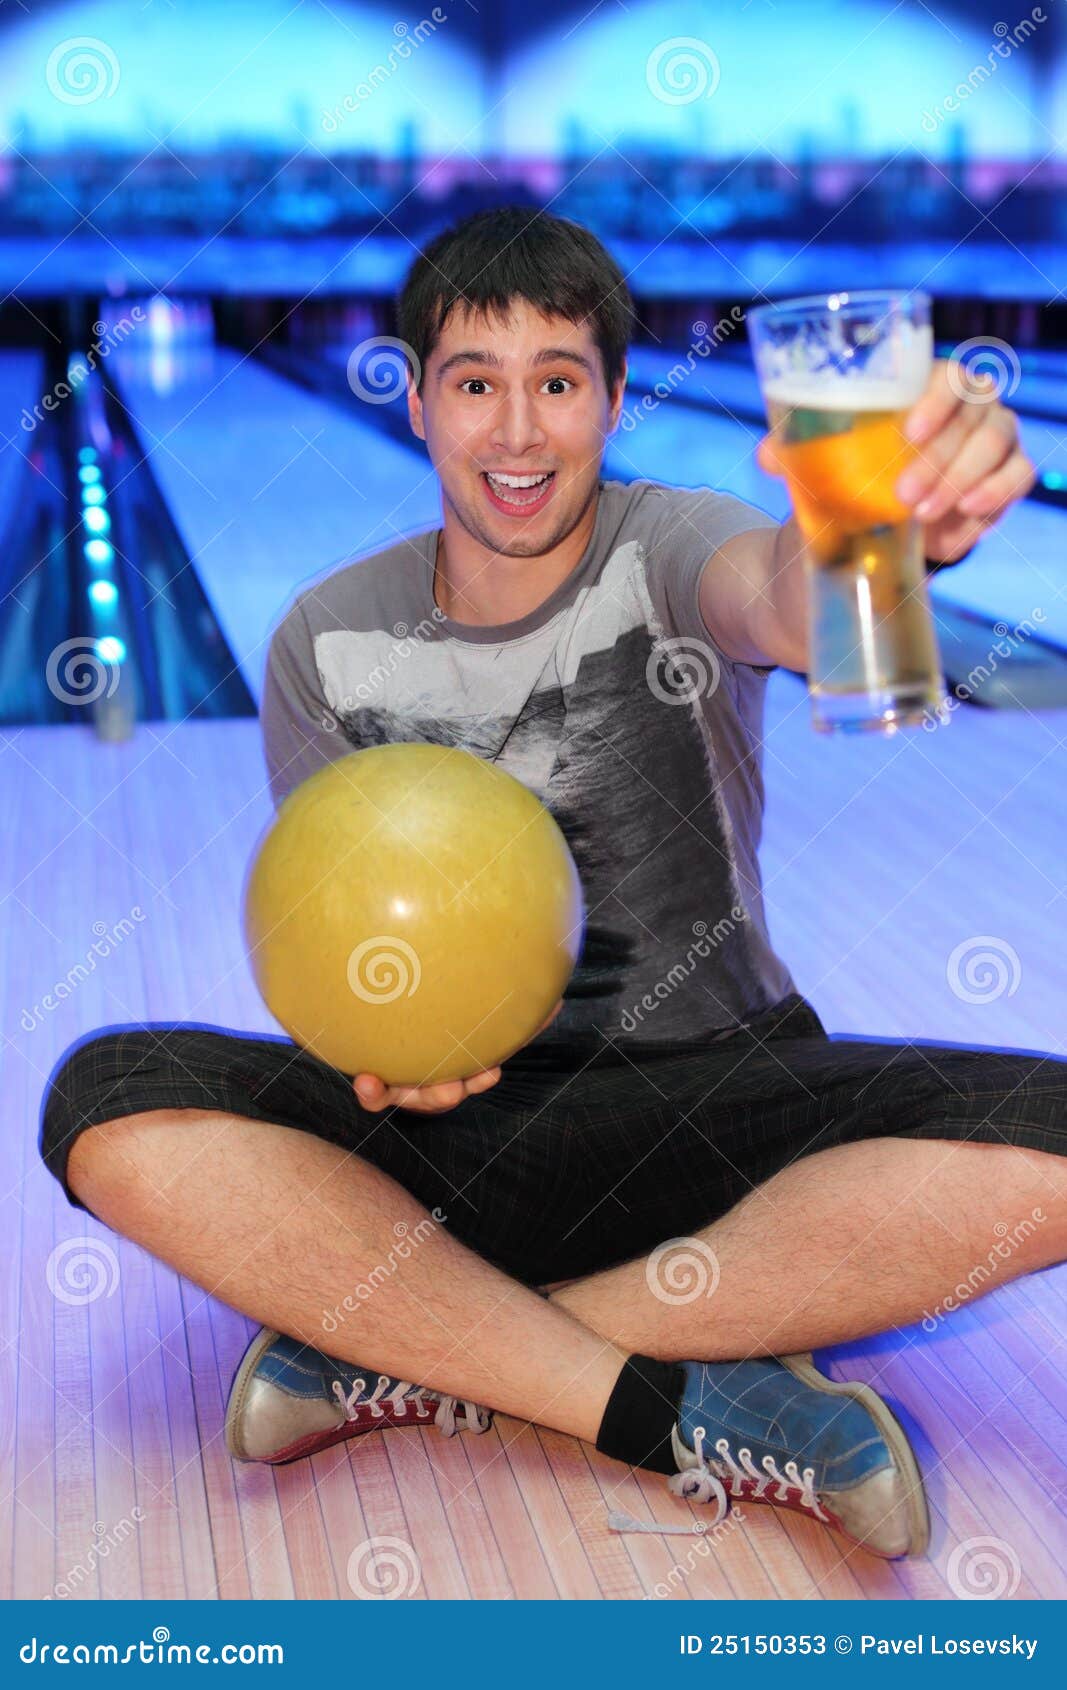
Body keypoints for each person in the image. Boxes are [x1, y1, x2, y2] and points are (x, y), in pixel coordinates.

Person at [41, 207, 1060, 1564]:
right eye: (476, 382)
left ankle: (418, 1338)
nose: (518, 433)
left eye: (559, 382)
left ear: (617, 401)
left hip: (715, 1103)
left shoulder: (674, 545)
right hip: (447, 1141)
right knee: (104, 1099)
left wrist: (903, 543)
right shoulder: (323, 640)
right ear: (413, 400)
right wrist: (385, 1056)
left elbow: (798, 603)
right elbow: (340, 942)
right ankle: (665, 1389)